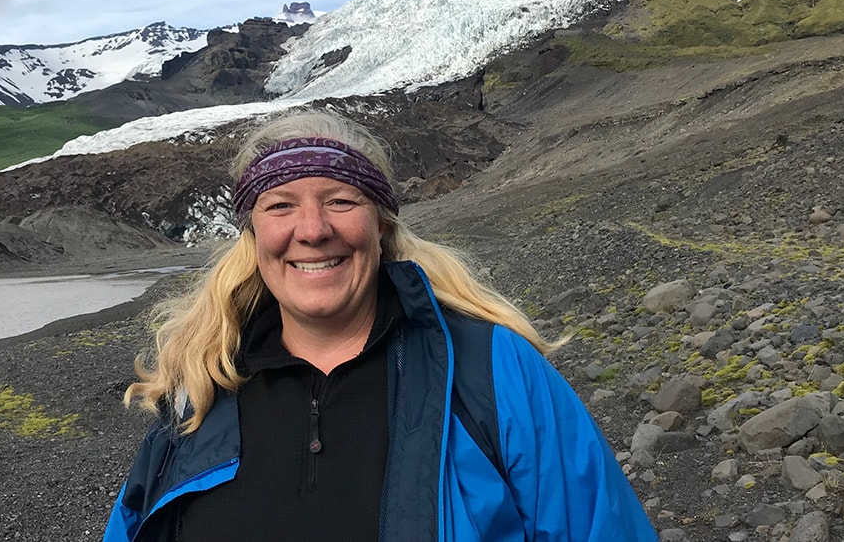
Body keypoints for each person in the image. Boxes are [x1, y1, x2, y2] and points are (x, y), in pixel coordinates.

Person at [102, 110, 657, 541]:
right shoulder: (201, 389)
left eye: (341, 200)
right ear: (252, 237)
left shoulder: (491, 370)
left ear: (382, 224)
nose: (313, 230)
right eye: (280, 206)